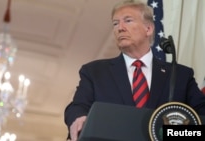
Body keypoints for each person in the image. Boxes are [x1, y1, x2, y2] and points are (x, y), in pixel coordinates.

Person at [64, 0, 205, 141]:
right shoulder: (94, 71)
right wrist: (78, 118)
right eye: (115, 23)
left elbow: (201, 113)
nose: (120, 28)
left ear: (148, 29)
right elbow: (77, 107)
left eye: (128, 20)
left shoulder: (180, 75)